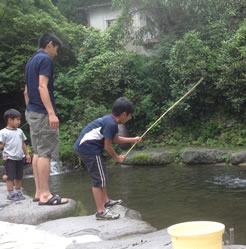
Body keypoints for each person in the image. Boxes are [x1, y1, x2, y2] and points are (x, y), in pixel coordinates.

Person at [74, 97, 142, 220]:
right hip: (88, 149)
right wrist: (117, 158)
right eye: (129, 115)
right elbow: (107, 146)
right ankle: (101, 212)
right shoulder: (111, 123)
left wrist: (133, 139)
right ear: (124, 114)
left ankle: (106, 201)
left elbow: (115, 139)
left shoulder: (111, 121)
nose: (130, 118)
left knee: (102, 175)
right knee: (98, 179)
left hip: (88, 148)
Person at [24, 33, 68, 205]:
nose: (56, 53)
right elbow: (42, 86)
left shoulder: (31, 60)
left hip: (32, 111)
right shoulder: (45, 60)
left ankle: (38, 192)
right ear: (50, 44)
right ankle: (45, 195)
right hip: (42, 113)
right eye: (56, 49)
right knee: (46, 153)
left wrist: (30, 109)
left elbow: (27, 90)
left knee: (37, 152)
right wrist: (50, 113)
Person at [0, 109, 31, 200]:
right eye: (17, 119)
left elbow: (23, 143)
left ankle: (18, 192)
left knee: (19, 176)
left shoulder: (20, 131)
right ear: (10, 120)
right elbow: (1, 144)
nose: (19, 121)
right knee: (10, 176)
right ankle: (10, 193)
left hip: (19, 157)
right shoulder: (3, 132)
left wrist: (27, 154)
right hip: (8, 158)